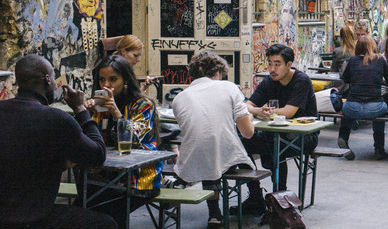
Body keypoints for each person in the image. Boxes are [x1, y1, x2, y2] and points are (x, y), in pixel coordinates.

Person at [0, 55, 115, 229]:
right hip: (33, 218)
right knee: (107, 224)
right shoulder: (56, 119)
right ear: (47, 79)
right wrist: (80, 109)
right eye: (54, 77)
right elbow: (98, 155)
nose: (55, 84)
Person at [173, 51, 257, 227]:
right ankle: (257, 200)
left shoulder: (179, 98)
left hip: (191, 161)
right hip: (224, 159)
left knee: (209, 149)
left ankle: (214, 213)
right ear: (218, 72)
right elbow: (248, 133)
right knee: (223, 149)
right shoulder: (228, 87)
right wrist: (249, 117)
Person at [82, 55, 161, 228]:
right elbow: (88, 141)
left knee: (106, 212)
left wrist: (116, 113)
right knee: (86, 209)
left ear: (125, 80)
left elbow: (135, 138)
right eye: (102, 80)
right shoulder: (98, 106)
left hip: (139, 179)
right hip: (104, 176)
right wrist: (85, 113)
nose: (106, 85)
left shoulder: (141, 104)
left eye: (113, 79)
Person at [243, 44, 319, 192]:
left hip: (303, 136)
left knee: (275, 147)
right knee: (241, 144)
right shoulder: (269, 81)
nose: (272, 69)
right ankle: (254, 193)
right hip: (275, 134)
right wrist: (258, 110)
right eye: (270, 64)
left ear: (289, 65)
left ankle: (280, 195)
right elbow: (247, 105)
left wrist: (264, 113)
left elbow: (288, 112)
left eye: (277, 64)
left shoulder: (301, 81)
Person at [338, 36, 388, 160]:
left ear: (358, 47)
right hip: (374, 107)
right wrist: (380, 79)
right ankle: (379, 148)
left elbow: (345, 79)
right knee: (381, 112)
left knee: (346, 108)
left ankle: (343, 137)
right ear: (373, 46)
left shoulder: (353, 60)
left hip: (352, 106)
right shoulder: (380, 60)